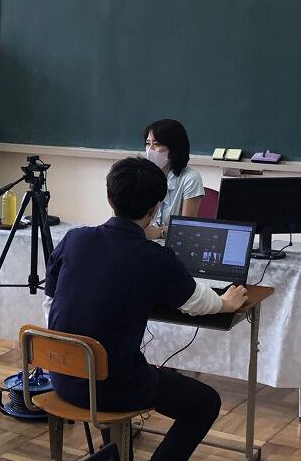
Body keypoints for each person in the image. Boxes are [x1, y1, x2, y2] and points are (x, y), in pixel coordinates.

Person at [44, 157, 248, 461]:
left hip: (61, 375)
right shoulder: (153, 257)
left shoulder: (75, 238)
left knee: (110, 358)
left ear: (109, 197)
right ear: (154, 209)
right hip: (113, 387)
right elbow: (195, 301)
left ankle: (115, 451)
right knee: (205, 402)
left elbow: (50, 299)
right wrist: (225, 302)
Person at [143, 119, 204, 240]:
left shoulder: (191, 178)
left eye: (157, 144)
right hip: (144, 242)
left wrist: (159, 232)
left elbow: (186, 229)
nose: (150, 150)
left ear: (174, 147)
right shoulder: (143, 175)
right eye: (148, 143)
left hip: (173, 244)